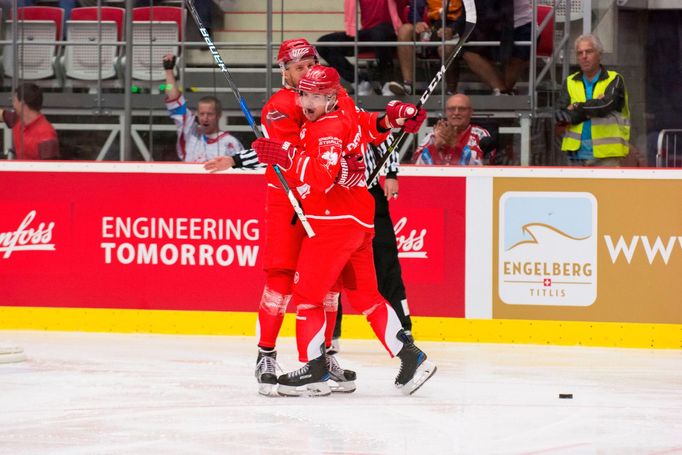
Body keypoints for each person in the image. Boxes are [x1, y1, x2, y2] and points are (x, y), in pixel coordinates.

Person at [205, 39, 416, 396]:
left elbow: (355, 126)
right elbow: (290, 154)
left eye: (309, 62)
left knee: (328, 284)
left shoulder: (330, 91)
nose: (304, 70)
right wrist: (339, 164)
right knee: (282, 276)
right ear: (284, 70)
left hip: (326, 200)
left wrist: (386, 122)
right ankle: (267, 354)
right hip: (289, 198)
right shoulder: (278, 107)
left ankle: (322, 357)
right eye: (297, 65)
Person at [251, 65, 436, 397]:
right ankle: (411, 357)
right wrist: (392, 119)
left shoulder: (326, 128)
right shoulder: (343, 115)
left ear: (332, 97)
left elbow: (321, 176)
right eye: (304, 94)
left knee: (308, 297)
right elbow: (366, 127)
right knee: (368, 297)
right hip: (359, 222)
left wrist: (285, 155)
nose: (307, 102)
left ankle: (313, 370)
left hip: (331, 222)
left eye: (317, 96)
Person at [331, 133, 414, 353]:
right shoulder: (314, 119)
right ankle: (330, 333)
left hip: (368, 194)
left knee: (386, 263)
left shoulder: (358, 115)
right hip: (334, 199)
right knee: (332, 267)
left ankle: (403, 328)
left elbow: (388, 141)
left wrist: (391, 172)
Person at [162, 54, 256, 166]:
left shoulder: (230, 143)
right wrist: (168, 71)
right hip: (188, 182)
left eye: (209, 114)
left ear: (218, 115)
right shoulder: (189, 132)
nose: (205, 118)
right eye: (202, 114)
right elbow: (174, 101)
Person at [554, 34, 630, 167]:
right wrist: (593, 107)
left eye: (588, 51)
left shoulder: (614, 79)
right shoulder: (570, 82)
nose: (584, 56)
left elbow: (606, 105)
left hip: (607, 156)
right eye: (579, 53)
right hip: (575, 156)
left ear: (599, 55)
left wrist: (577, 106)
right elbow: (560, 115)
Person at [317, 0, 403, 96]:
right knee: (323, 43)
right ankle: (359, 81)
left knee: (378, 33)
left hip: (391, 32)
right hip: (368, 34)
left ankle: (387, 82)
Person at [387, 0, 465, 96]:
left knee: (446, 49)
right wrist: (418, 22)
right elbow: (415, 7)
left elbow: (470, 14)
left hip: (456, 28)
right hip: (433, 27)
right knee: (405, 30)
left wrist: (453, 29)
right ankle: (408, 86)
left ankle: (451, 91)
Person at [459, 0, 529, 95]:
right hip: (489, 26)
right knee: (467, 51)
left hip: (521, 25)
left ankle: (504, 94)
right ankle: (503, 93)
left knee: (516, 58)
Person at [411, 93, 493, 165]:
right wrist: (436, 146)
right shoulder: (434, 135)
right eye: (451, 109)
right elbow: (415, 164)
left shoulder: (480, 134)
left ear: (471, 112)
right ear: (446, 112)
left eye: (462, 109)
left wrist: (455, 145)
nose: (456, 113)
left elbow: (484, 164)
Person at [1, 82, 59, 160]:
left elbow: (49, 170)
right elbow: (1, 114)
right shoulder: (17, 119)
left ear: (22, 103)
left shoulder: (46, 134)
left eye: (14, 100)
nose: (13, 104)